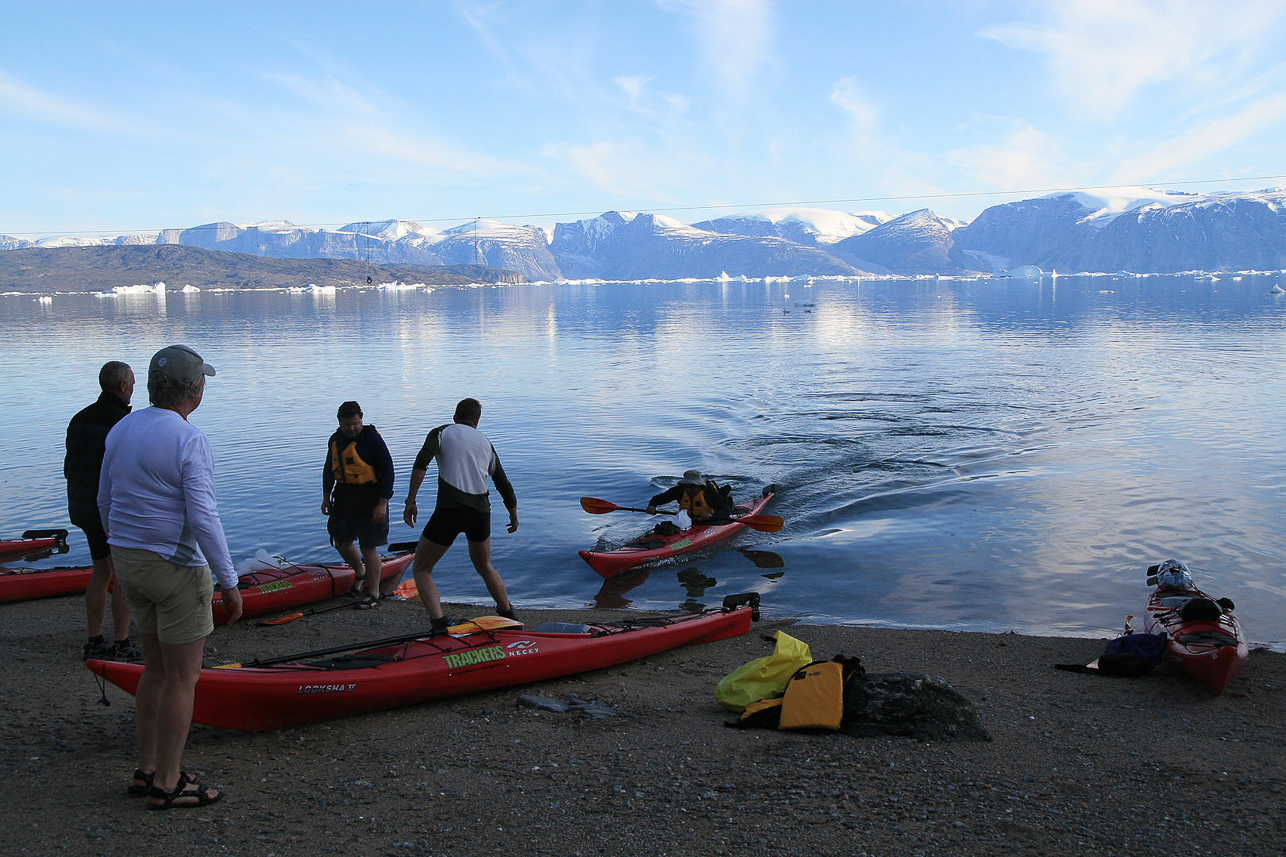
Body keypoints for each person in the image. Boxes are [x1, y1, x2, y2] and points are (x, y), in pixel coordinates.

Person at [98, 344, 243, 810]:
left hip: (128, 559)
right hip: (174, 568)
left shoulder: (123, 428)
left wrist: (121, 549)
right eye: (203, 382)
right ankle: (168, 782)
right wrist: (229, 580)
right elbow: (204, 517)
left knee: (155, 669)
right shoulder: (188, 438)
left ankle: (147, 769)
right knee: (183, 678)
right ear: (194, 390)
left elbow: (105, 499)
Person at [403, 397, 518, 632]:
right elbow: (503, 483)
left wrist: (411, 500)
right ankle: (508, 616)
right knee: (484, 565)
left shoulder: (441, 432)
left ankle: (438, 623)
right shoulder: (485, 442)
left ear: (454, 417)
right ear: (477, 421)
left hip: (451, 509)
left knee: (422, 567)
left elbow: (422, 461)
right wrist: (513, 514)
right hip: (480, 512)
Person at [64, 360, 140, 661]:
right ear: (122, 386)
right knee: (121, 574)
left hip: (80, 503)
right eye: (132, 381)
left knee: (100, 570)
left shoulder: (79, 418)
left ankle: (94, 639)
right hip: (109, 506)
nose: (134, 385)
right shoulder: (122, 423)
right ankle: (122, 643)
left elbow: (70, 466)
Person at [321, 401, 395, 607]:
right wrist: (326, 496)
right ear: (340, 423)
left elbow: (388, 472)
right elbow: (329, 469)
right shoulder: (335, 440)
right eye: (347, 425)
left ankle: (374, 593)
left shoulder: (372, 440)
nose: (352, 428)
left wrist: (382, 503)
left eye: (355, 423)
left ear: (361, 420)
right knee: (341, 541)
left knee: (368, 546)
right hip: (344, 496)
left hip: (370, 497)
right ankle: (360, 572)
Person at [646, 470, 735, 523]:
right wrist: (652, 505)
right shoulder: (679, 490)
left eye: (692, 486)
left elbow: (725, 510)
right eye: (686, 485)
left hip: (710, 521)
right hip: (686, 522)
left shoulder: (709, 493)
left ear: (699, 485)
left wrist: (711, 514)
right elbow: (658, 498)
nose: (688, 489)